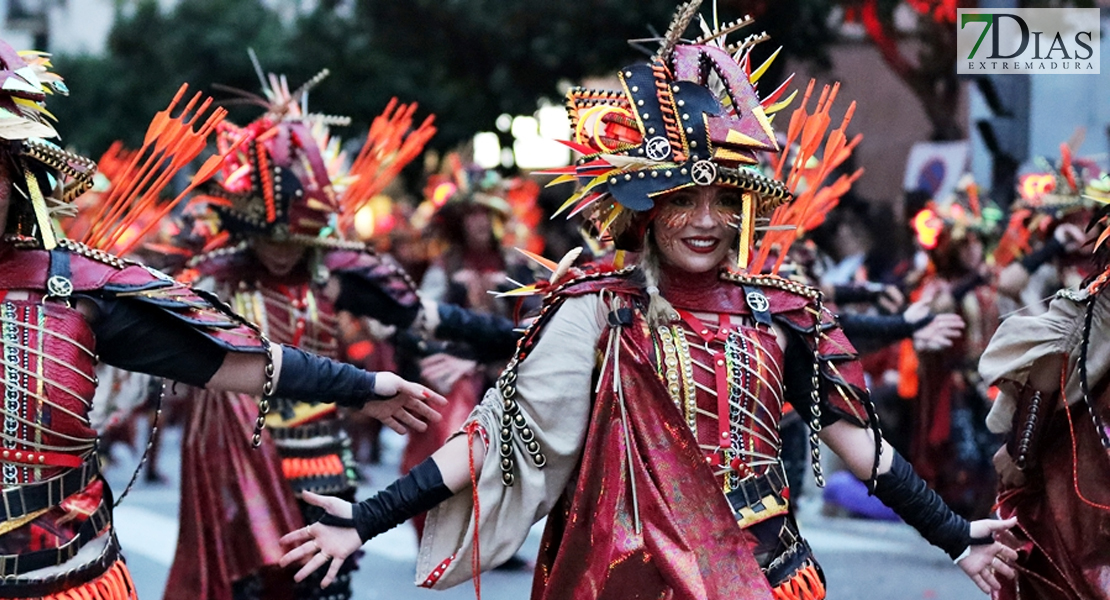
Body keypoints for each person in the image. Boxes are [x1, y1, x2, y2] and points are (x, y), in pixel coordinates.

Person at [280, 6, 1017, 599]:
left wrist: (955, 534)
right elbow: (495, 438)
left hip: (767, 576)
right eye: (680, 201)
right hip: (633, 576)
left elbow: (862, 449)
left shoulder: (784, 309)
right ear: (643, 211)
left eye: (722, 199)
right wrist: (367, 521)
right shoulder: (599, 306)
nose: (704, 219)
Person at [0, 41, 444, 600]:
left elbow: (233, 360)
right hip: (231, 455)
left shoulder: (75, 288)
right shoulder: (213, 268)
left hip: (68, 578)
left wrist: (362, 386)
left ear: (16, 179)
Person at [163, 77, 438, 600]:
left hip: (320, 450)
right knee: (249, 580)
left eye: (296, 241)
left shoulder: (335, 276)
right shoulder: (214, 276)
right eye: (269, 239)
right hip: (238, 451)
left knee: (325, 579)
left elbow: (418, 317)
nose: (282, 252)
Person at [979, 179, 1110, 600]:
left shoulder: (1100, 299)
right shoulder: (1074, 274)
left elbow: (1056, 354)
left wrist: (1021, 451)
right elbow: (1010, 284)